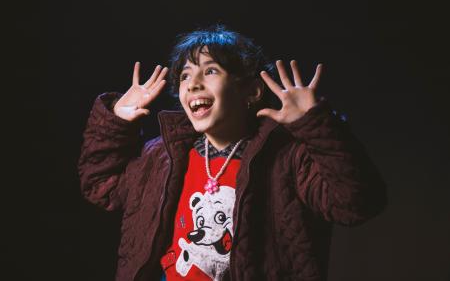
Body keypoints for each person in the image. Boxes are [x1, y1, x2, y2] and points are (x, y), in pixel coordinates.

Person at [78, 25, 387, 281]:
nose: (193, 84)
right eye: (185, 76)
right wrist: (115, 121)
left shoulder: (286, 158)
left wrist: (315, 123)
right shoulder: (161, 156)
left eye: (210, 71)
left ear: (250, 91)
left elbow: (357, 203)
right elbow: (100, 185)